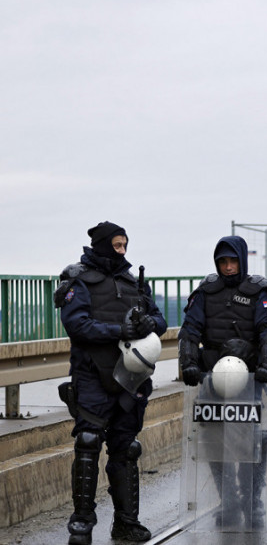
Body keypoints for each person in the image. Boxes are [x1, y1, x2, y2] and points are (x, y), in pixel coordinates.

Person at [54, 222, 167, 545]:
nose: (122, 252)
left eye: (125, 246)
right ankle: (82, 523)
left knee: (126, 448)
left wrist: (148, 324)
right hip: (91, 375)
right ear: (103, 245)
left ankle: (126, 522)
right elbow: (76, 325)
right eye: (117, 246)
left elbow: (160, 320)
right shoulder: (78, 279)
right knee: (88, 442)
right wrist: (119, 330)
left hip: (130, 377)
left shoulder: (133, 281)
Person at [178, 235, 267, 528]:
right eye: (222, 261)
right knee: (213, 440)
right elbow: (190, 330)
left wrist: (266, 364)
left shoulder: (258, 292)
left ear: (242, 260)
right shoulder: (205, 293)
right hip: (213, 378)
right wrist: (188, 363)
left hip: (249, 379)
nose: (227, 267)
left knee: (257, 440)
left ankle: (253, 499)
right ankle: (228, 499)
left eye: (232, 261)